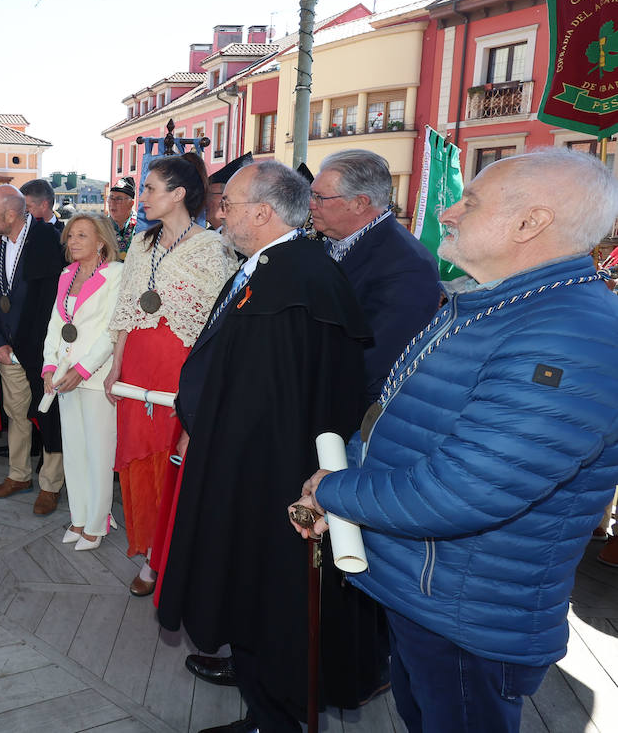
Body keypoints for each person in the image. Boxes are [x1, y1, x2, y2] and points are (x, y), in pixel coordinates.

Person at [292, 149, 618, 733]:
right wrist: (342, 489)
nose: (447, 210)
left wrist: (338, 493)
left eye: (471, 200)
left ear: (530, 223)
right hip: (429, 594)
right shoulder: (496, 305)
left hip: (470, 615)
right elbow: (398, 420)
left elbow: (467, 490)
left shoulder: (569, 334)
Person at [157, 160, 371, 733]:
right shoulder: (273, 267)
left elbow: (272, 400)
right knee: (249, 593)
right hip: (247, 466)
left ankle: (273, 721)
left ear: (262, 212)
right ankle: (262, 710)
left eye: (228, 205)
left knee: (269, 597)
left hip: (266, 480)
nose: (218, 213)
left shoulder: (292, 279)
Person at [103, 156, 237, 596]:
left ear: (178, 194)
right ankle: (146, 554)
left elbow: (218, 327)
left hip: (180, 372)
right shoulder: (141, 244)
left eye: (150, 188)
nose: (142, 197)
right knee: (138, 463)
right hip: (136, 366)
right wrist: (116, 366)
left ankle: (173, 559)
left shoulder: (215, 248)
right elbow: (125, 309)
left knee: (173, 464)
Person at [311, 149, 442, 405]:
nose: (311, 204)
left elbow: (376, 361)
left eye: (320, 197)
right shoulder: (329, 241)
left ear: (359, 203)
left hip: (350, 411)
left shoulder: (408, 264)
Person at [0, 184, 67, 516]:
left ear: (11, 213)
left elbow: (55, 303)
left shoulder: (49, 240)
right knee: (16, 413)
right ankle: (18, 476)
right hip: (8, 348)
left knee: (48, 415)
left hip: (43, 351)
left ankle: (50, 485)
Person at [43, 213, 122, 550]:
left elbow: (112, 330)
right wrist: (49, 365)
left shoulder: (116, 274)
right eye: (71, 236)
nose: (72, 242)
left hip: (94, 377)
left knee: (98, 453)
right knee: (73, 452)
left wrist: (84, 370)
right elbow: (55, 325)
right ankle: (78, 517)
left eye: (81, 236)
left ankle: (97, 521)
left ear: (100, 241)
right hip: (64, 375)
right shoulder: (66, 274)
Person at [106, 177, 136, 258]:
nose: (112, 203)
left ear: (131, 204)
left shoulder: (141, 226)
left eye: (119, 199)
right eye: (111, 198)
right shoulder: (101, 226)